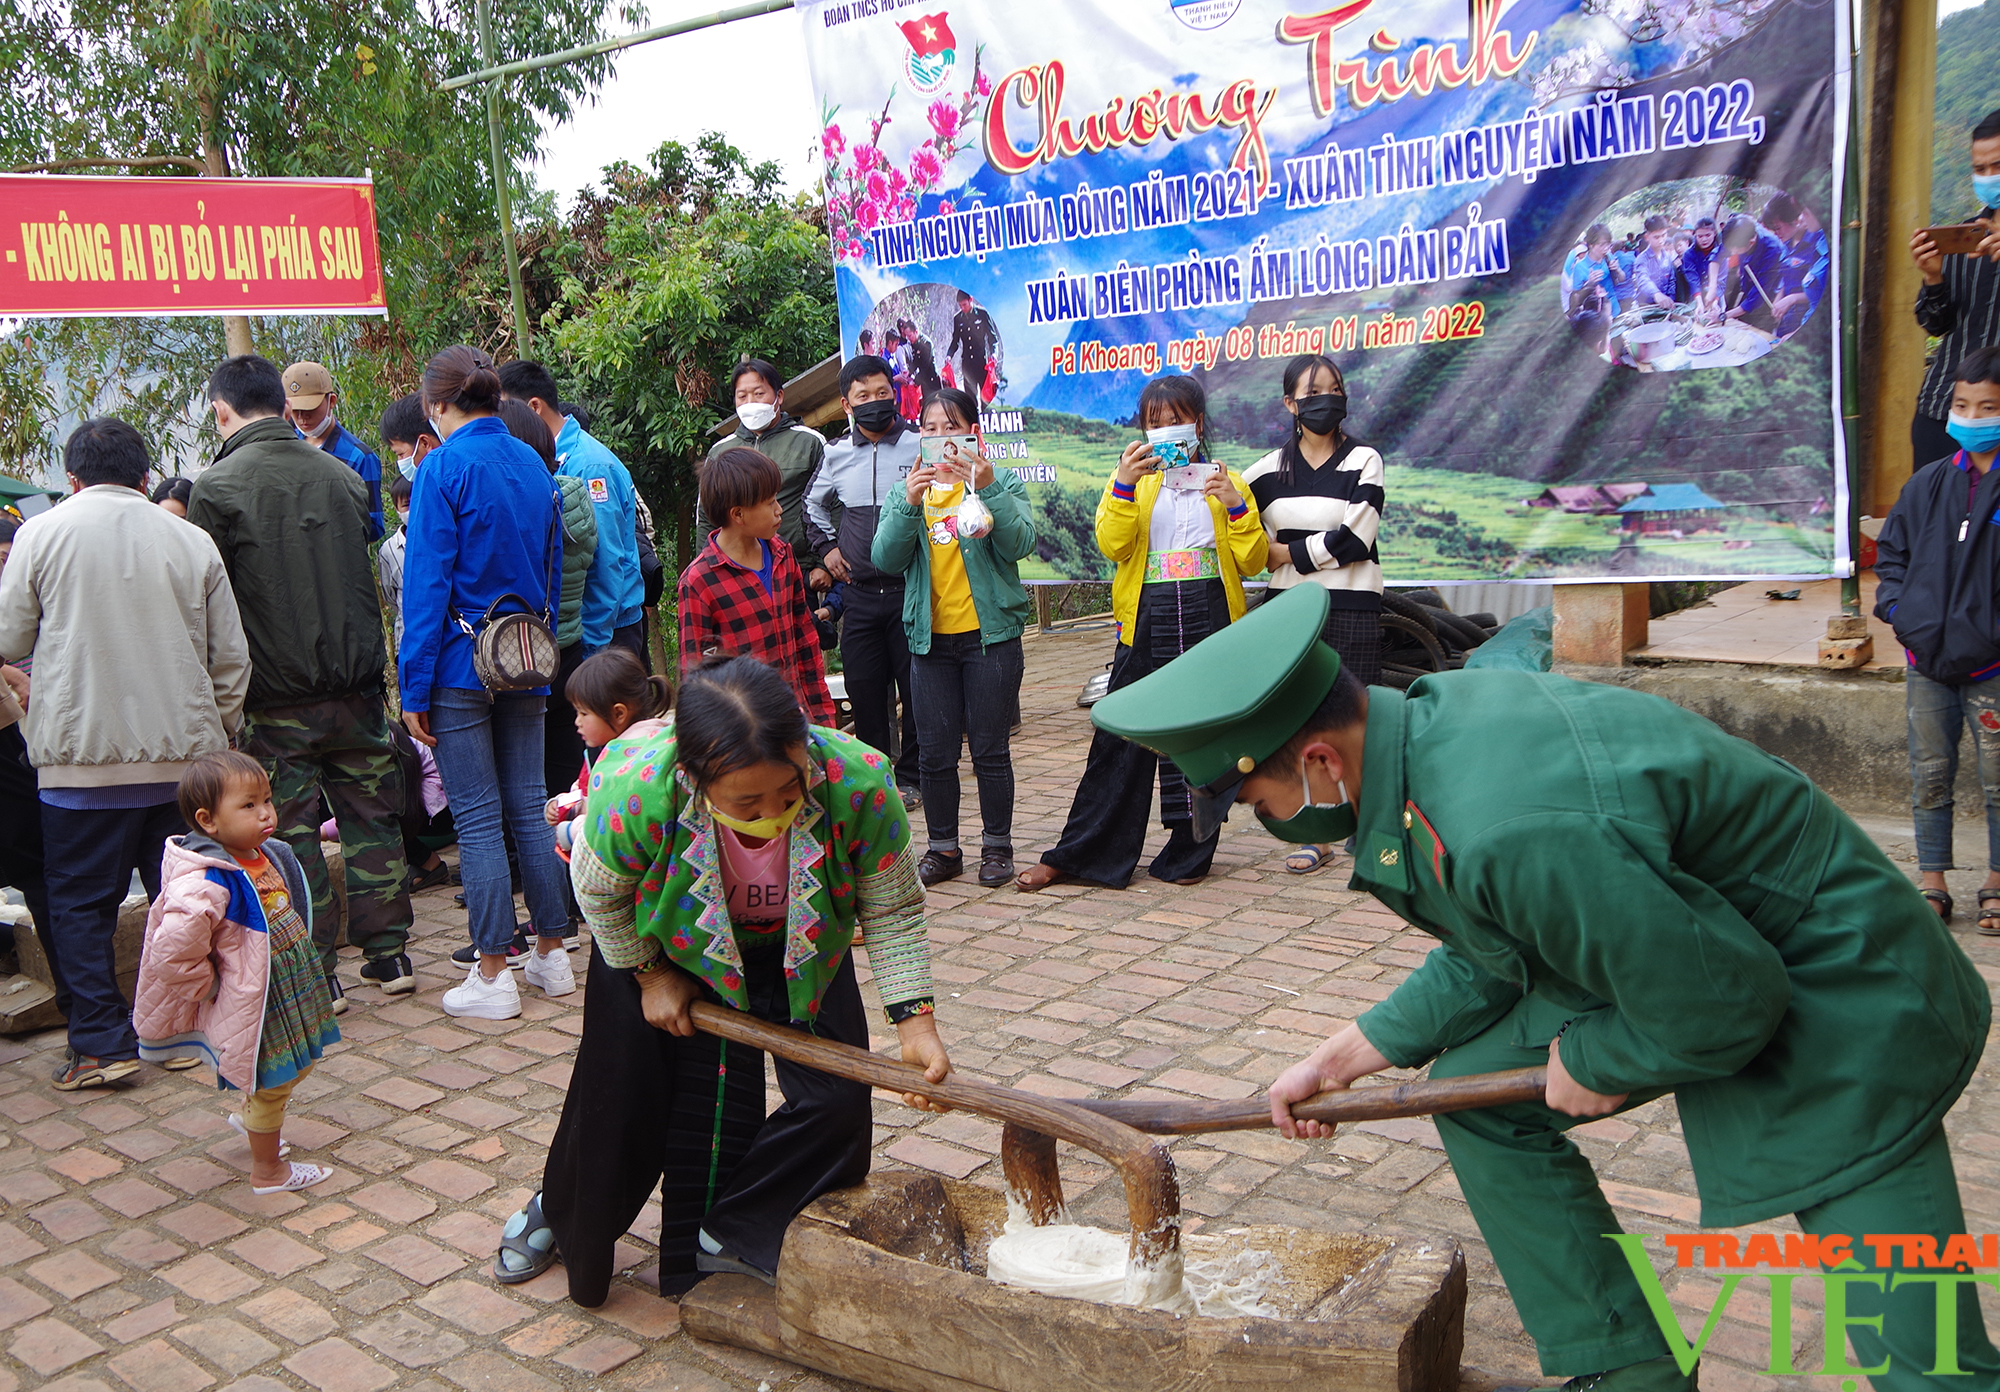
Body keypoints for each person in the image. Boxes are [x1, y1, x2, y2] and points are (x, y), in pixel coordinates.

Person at [1091, 583, 1999, 1392]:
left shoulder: (1506, 822)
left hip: (1847, 992)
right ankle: (1624, 1363)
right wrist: (1354, 1053)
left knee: (1919, 1358)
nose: (1274, 827)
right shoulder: (1426, 733)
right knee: (1477, 1092)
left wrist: (1599, 1059)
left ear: (1322, 761)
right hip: (1687, 940)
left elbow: (1718, 1002)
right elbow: (1501, 933)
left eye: (1260, 805)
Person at [500, 654, 949, 1303]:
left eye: (790, 790)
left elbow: (892, 906)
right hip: (659, 941)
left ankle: (734, 1230)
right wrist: (651, 976)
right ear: (694, 779)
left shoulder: (858, 783)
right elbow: (598, 894)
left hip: (803, 944)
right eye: (748, 801)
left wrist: (917, 1023)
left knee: (838, 1102)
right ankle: (562, 1207)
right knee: (624, 1102)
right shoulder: (639, 789)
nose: (776, 812)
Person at [0, 417, 250, 1090]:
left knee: (81, 905)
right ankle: (174, 1032)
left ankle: (100, 1047)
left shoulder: (40, 534)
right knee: (184, 905)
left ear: (72, 479)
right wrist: (216, 735)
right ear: (145, 478)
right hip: (182, 764)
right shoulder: (189, 540)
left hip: (79, 764)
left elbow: (8, 632)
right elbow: (231, 656)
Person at [190, 354, 414, 1006]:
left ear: (222, 410)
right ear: (284, 406)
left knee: (287, 831)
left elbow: (214, 602)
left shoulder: (217, 489)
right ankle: (391, 956)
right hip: (358, 686)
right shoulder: (343, 476)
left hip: (276, 695)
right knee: (372, 818)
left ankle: (321, 972)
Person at [1017, 375, 1265, 893]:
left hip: (1211, 615)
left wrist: (1236, 506)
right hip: (1148, 614)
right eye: (1155, 423)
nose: (1167, 431)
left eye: (1176, 420)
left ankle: (1190, 853)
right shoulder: (1132, 480)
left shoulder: (1229, 481)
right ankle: (1081, 855)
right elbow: (1112, 545)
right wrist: (1125, 484)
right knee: (1120, 733)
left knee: (1202, 735)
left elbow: (1254, 560)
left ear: (1197, 423)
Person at [400, 345, 572, 1021]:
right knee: (529, 805)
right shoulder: (532, 461)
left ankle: (493, 972)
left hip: (457, 664)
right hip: (527, 656)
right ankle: (552, 955)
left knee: (476, 815)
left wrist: (414, 689)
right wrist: (540, 641)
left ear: (436, 406)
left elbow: (426, 588)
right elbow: (553, 570)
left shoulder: (442, 466)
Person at [134, 751, 339, 1194]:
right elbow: (170, 952)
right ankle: (269, 1172)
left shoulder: (260, 853)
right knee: (276, 1081)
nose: (266, 812)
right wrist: (205, 986)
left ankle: (253, 1117)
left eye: (266, 799)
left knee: (298, 1066)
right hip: (257, 999)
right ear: (208, 820)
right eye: (248, 805)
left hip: (284, 987)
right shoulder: (205, 880)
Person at [873, 387, 1035, 887]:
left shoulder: (999, 479)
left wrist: (988, 490)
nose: (942, 438)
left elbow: (1021, 542)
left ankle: (997, 847)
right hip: (929, 644)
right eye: (931, 428)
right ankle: (943, 849)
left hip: (991, 639)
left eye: (953, 427)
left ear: (973, 433)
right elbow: (885, 560)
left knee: (989, 749)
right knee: (937, 752)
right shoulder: (909, 493)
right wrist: (907, 505)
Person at [1242, 354, 1385, 876]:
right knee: (1301, 724)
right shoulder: (1260, 473)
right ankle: (1315, 831)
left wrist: (1287, 553)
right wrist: (1271, 552)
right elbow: (1243, 539)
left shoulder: (1364, 461)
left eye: (1334, 388)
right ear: (1290, 404)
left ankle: (1366, 828)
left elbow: (1355, 540)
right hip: (1290, 614)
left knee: (1356, 720)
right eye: (1313, 391)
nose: (1326, 398)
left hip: (1352, 604)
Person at [1873, 345, 2000, 932]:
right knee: (1930, 773)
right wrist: (1900, 611)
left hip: (1992, 667)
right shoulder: (1926, 484)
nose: (1972, 417)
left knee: (1999, 779)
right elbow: (1892, 553)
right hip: (1925, 660)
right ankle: (1933, 883)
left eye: (1988, 407)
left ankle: (1996, 886)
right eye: (1963, 404)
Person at [805, 355, 923, 804]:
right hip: (856, 598)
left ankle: (913, 777)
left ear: (894, 393)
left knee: (916, 693)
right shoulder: (834, 452)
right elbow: (810, 507)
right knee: (866, 691)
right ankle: (878, 780)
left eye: (882, 393)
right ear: (846, 404)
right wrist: (829, 551)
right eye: (863, 397)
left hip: (908, 593)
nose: (875, 402)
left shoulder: (918, 443)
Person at [497, 361, 645, 660]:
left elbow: (606, 564)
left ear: (533, 407)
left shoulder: (588, 466)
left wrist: (589, 649)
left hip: (607, 633)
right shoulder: (543, 459)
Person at [679, 448, 836, 725]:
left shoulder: (783, 555)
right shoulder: (699, 582)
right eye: (769, 502)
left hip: (796, 719)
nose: (779, 510)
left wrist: (823, 720)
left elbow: (805, 641)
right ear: (738, 514)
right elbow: (696, 678)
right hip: (743, 733)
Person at [497, 397, 601, 808]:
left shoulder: (520, 503)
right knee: (564, 780)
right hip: (570, 644)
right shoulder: (574, 495)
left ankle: (528, 868)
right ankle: (567, 863)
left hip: (524, 656)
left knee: (523, 787)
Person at [1911, 109, 2000, 470]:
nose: (1989, 177)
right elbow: (1935, 324)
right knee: (1934, 516)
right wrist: (1933, 277)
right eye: (1980, 169)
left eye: (1997, 166)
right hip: (1943, 408)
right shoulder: (1964, 237)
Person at [698, 360, 830, 591]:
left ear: (779, 396)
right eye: (742, 396)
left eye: (759, 393)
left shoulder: (809, 442)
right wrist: (708, 570)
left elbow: (831, 503)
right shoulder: (720, 451)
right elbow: (706, 516)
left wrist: (823, 563)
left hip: (798, 569)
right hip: (734, 572)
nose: (750, 403)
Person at [545, 646, 672, 864]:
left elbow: (612, 825)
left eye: (584, 713)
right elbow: (585, 790)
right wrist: (564, 805)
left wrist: (571, 831)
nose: (577, 721)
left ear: (619, 713)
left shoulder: (628, 767)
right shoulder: (604, 752)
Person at [283, 361, 384, 540]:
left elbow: (374, 526)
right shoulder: (284, 446)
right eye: (295, 410)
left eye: (309, 408)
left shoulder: (359, 457)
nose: (302, 417)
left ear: (332, 401)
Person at [1764, 191, 1829, 338]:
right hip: (1787, 317)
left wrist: (1793, 298)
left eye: (1778, 228)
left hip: (1808, 320)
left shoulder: (1819, 244)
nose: (1775, 234)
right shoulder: (1786, 243)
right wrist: (1779, 297)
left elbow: (1823, 292)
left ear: (1796, 219)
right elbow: (1785, 276)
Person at [1719, 212, 1788, 333]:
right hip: (1749, 283)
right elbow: (1716, 255)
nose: (1732, 253)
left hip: (1768, 295)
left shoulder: (1772, 250)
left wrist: (1723, 316)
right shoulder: (1741, 231)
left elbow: (1758, 296)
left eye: (1735, 250)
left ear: (1751, 243)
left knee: (1758, 333)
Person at [378, 472, 413, 650]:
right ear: (397, 509)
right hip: (406, 637)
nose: (412, 509)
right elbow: (390, 597)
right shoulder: (388, 550)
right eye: (406, 505)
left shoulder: (444, 539)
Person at [946, 289, 1000, 401]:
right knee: (971, 401)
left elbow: (992, 339)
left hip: (982, 364)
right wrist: (949, 355)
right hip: (967, 366)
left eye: (964, 304)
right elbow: (955, 341)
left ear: (971, 300)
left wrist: (994, 353)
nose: (962, 308)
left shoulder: (982, 314)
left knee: (986, 399)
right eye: (960, 305)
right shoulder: (958, 318)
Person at [1630, 214, 1678, 310]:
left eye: (1663, 235)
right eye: (1656, 237)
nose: (1661, 240)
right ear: (1647, 237)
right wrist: (1656, 294)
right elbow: (1643, 280)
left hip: (1665, 306)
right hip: (1646, 307)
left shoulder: (1667, 257)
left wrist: (1670, 300)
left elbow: (1671, 281)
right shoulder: (1642, 259)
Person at [1680, 216, 1724, 313]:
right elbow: (1692, 279)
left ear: (1715, 233)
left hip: (1717, 296)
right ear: (1695, 235)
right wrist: (1699, 302)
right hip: (1697, 297)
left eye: (1708, 235)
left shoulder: (1722, 252)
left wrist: (1715, 301)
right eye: (1700, 236)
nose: (1704, 239)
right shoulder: (1688, 254)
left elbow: (1721, 280)